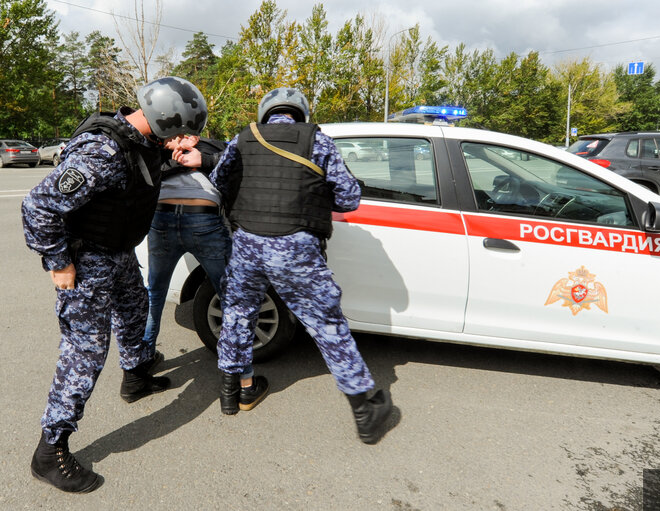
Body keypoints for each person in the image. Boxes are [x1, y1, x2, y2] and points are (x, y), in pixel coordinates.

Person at [21, 76, 208, 493]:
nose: (180, 139)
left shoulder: (139, 140)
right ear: (162, 120)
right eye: (178, 132)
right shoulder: (101, 153)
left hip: (117, 254)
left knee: (134, 311)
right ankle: (50, 450)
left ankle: (136, 376)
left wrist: (180, 154)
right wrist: (59, 262)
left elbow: (142, 172)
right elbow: (37, 206)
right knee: (85, 352)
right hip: (87, 263)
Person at [183, 87, 394, 444]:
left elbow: (218, 183)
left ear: (266, 113)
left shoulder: (244, 137)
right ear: (302, 112)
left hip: (248, 243)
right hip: (296, 247)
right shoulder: (319, 142)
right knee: (326, 324)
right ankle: (365, 411)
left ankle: (232, 395)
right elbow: (349, 198)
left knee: (237, 314)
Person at [141, 134, 232, 364]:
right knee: (229, 294)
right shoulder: (157, 152)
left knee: (155, 293)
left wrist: (203, 156)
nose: (176, 142)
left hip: (170, 219)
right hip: (192, 218)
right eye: (170, 138)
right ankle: (238, 370)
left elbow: (235, 156)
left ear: (196, 136)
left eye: (182, 136)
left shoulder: (210, 147)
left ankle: (142, 361)